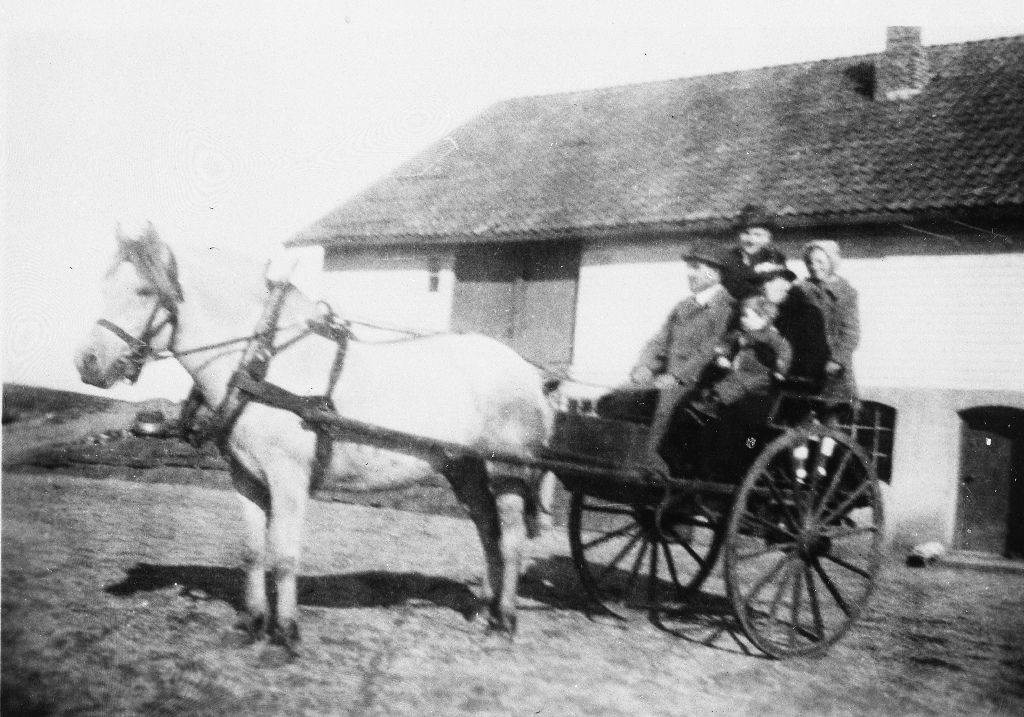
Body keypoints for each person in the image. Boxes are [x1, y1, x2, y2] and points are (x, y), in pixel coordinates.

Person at [596, 241, 736, 474]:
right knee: (616, 398)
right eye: (689, 267)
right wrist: (644, 366)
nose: (689, 273)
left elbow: (709, 352)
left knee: (666, 406)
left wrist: (676, 376)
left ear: (716, 272)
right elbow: (659, 341)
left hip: (698, 380)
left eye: (696, 267)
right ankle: (617, 459)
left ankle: (654, 464)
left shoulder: (726, 309)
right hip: (667, 376)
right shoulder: (683, 306)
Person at [798, 240, 860, 405]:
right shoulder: (801, 290)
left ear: (832, 262)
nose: (814, 266)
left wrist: (837, 360)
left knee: (832, 412)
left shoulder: (846, 293)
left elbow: (851, 332)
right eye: (810, 262)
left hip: (832, 365)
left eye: (820, 261)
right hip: (805, 363)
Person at [720, 204, 789, 300]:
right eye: (746, 233)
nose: (751, 240)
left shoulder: (775, 258)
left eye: (758, 235)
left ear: (768, 238)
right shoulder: (728, 259)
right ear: (738, 234)